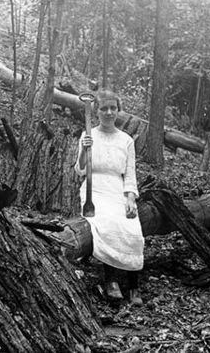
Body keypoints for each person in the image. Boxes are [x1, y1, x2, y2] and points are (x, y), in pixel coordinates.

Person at [75, 90, 144, 305]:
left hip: (117, 188)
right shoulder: (88, 135)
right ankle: (111, 281)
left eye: (113, 108)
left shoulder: (126, 141)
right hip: (94, 189)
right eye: (104, 108)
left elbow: (130, 174)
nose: (108, 112)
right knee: (108, 223)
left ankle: (134, 286)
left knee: (133, 229)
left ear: (118, 111)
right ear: (96, 111)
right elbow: (80, 170)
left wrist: (131, 198)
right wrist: (84, 151)